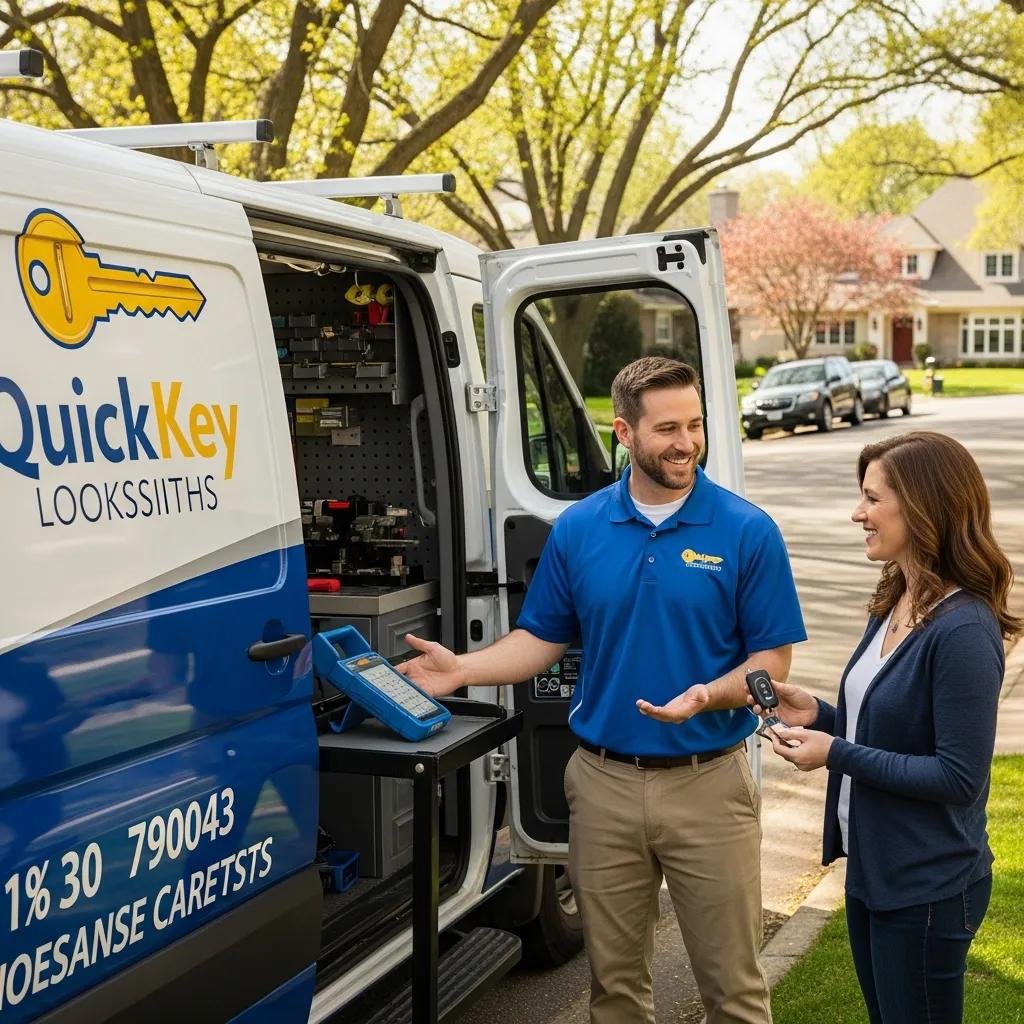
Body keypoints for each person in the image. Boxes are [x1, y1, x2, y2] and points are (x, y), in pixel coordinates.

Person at [403, 356, 806, 1024]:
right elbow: (541, 638)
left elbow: (773, 661)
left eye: (696, 424)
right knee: (614, 994)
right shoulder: (580, 529)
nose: (687, 443)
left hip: (709, 785)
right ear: (624, 431)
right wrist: (464, 669)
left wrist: (707, 694)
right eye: (668, 428)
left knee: (733, 994)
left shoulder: (746, 530)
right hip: (604, 786)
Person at [752, 431, 1020, 1024]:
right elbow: (892, 726)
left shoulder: (964, 631)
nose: (858, 513)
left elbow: (957, 775)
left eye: (872, 499)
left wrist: (835, 751)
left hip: (926, 888)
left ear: (923, 507)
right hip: (875, 870)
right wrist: (820, 714)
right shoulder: (897, 597)